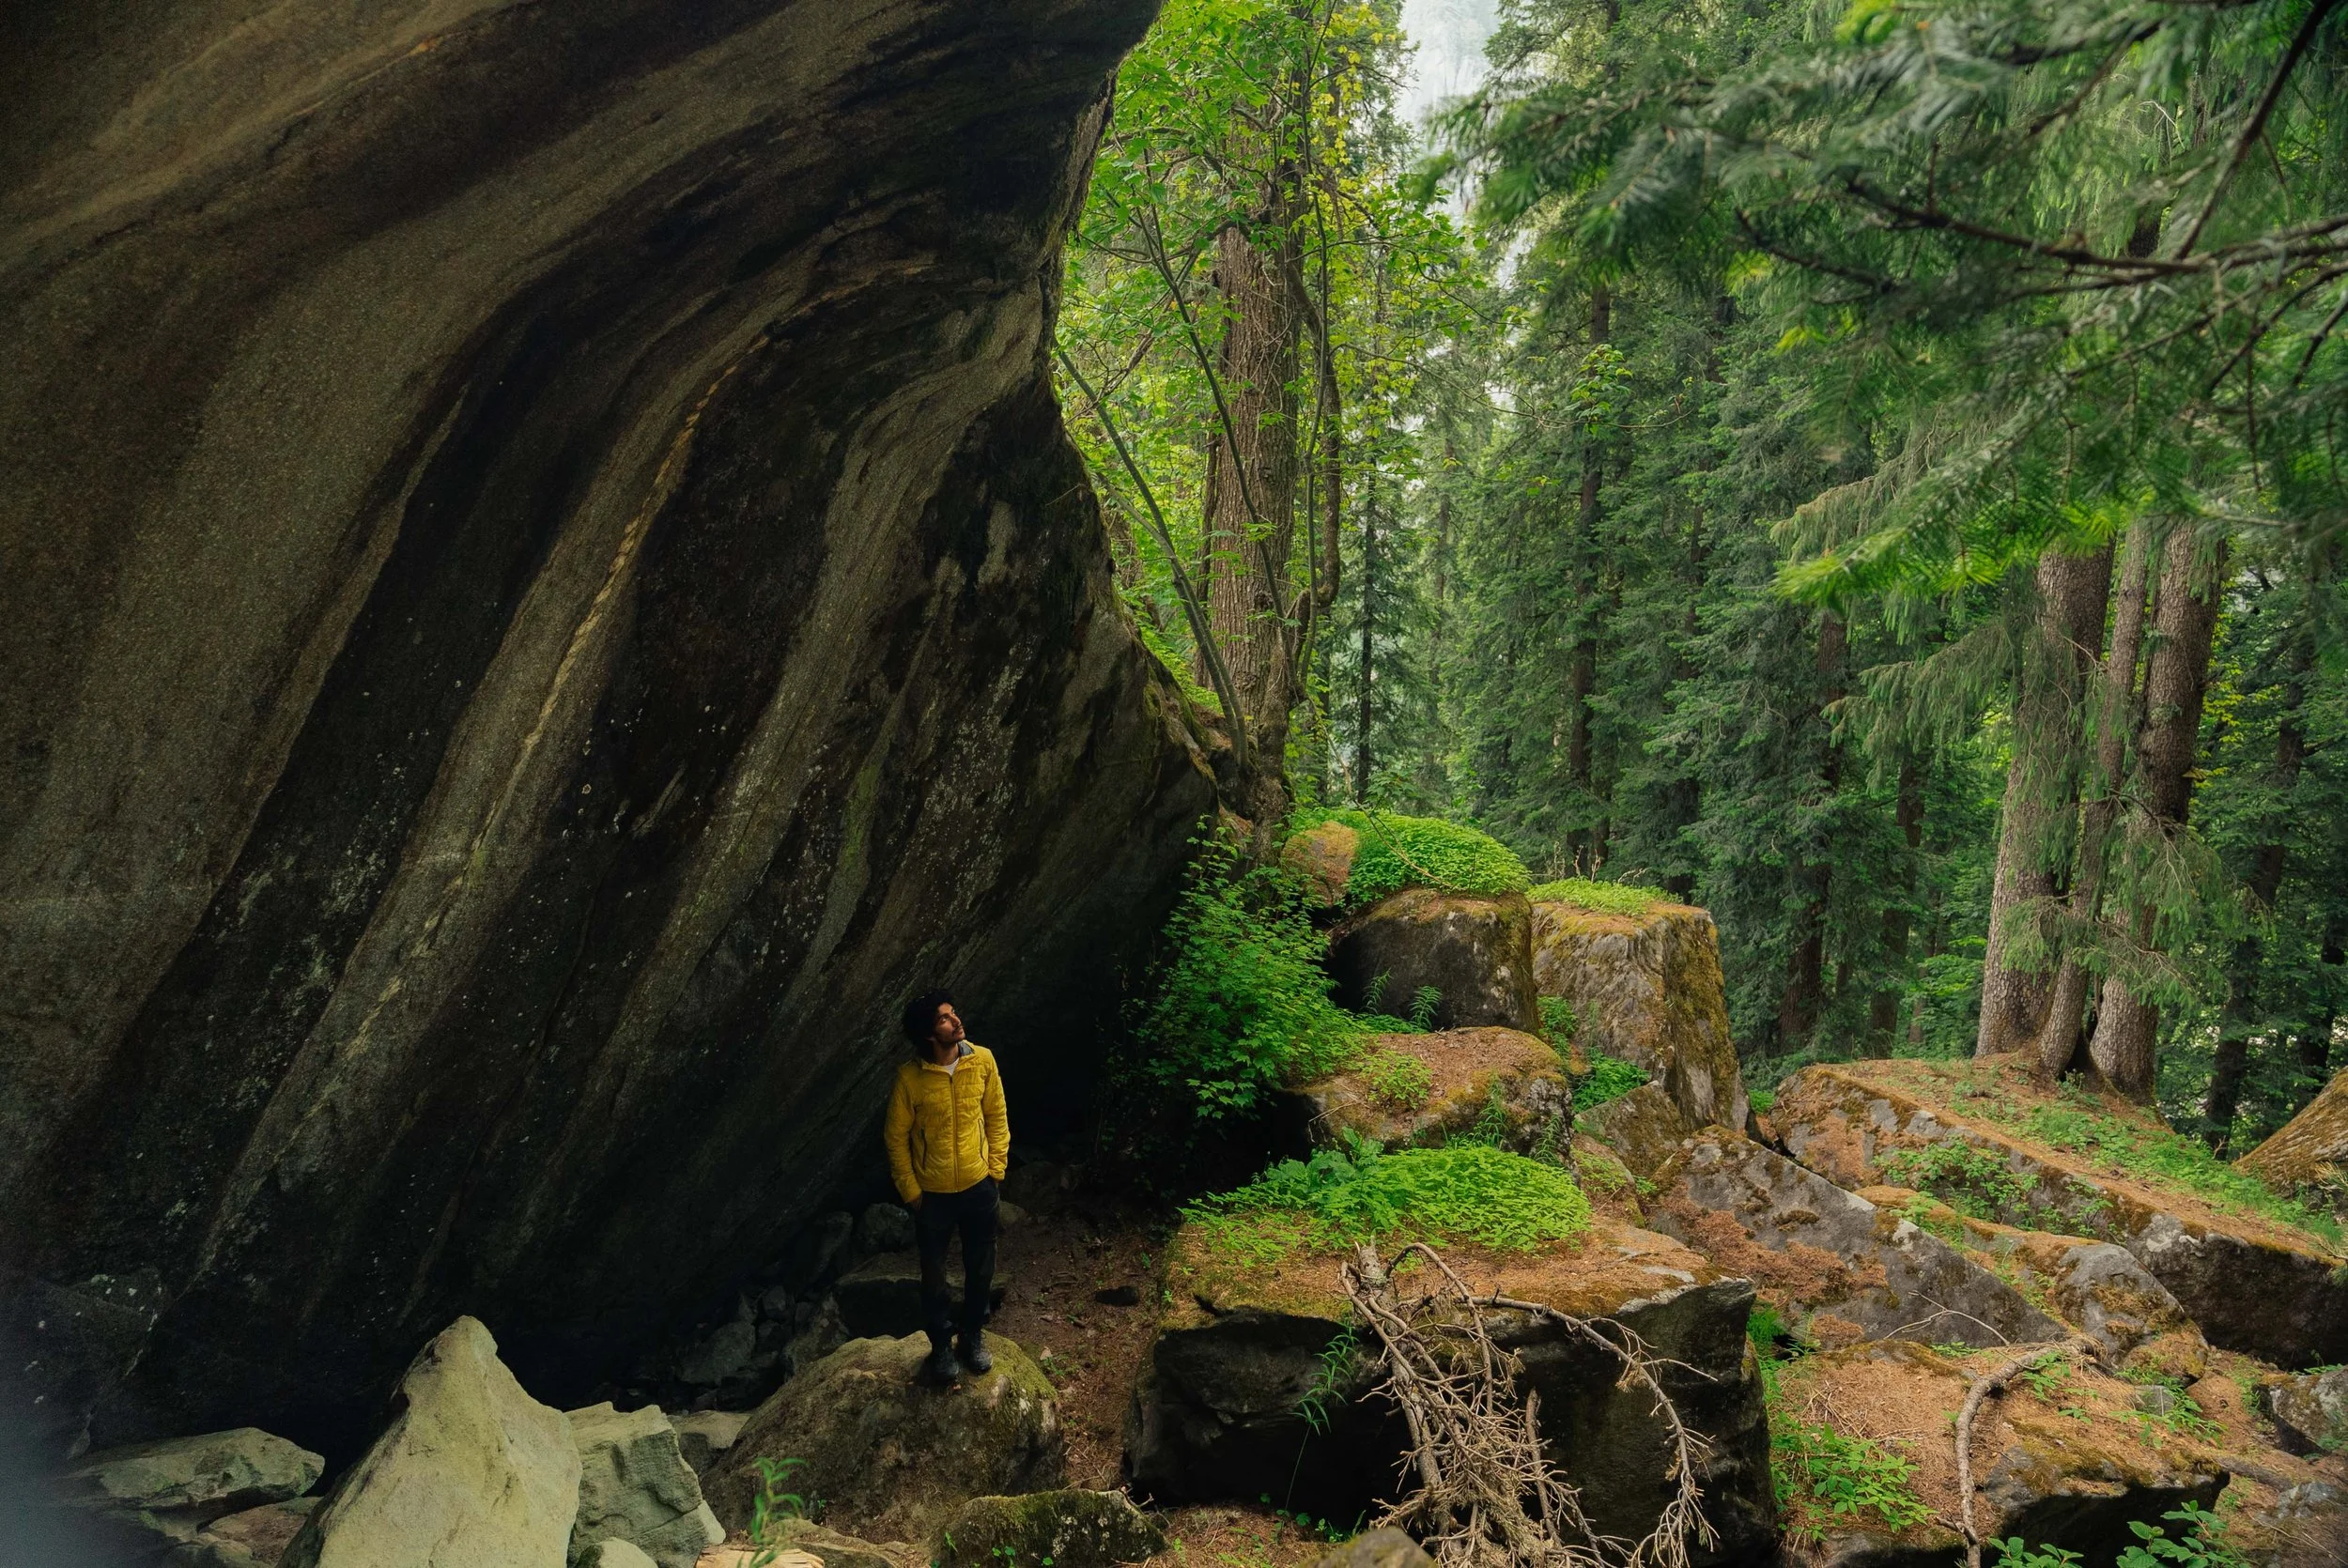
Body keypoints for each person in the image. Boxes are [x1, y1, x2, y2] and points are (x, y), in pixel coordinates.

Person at [884, 988, 1010, 1385]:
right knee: (934, 1275)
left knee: (981, 1268)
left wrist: (996, 1170)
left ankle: (972, 1336)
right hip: (933, 1196)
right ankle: (940, 1345)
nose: (955, 1021)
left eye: (953, 1013)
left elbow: (996, 1115)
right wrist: (912, 1192)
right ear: (927, 1033)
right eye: (943, 1018)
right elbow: (895, 1138)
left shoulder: (983, 1061)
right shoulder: (910, 1079)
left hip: (978, 1186)